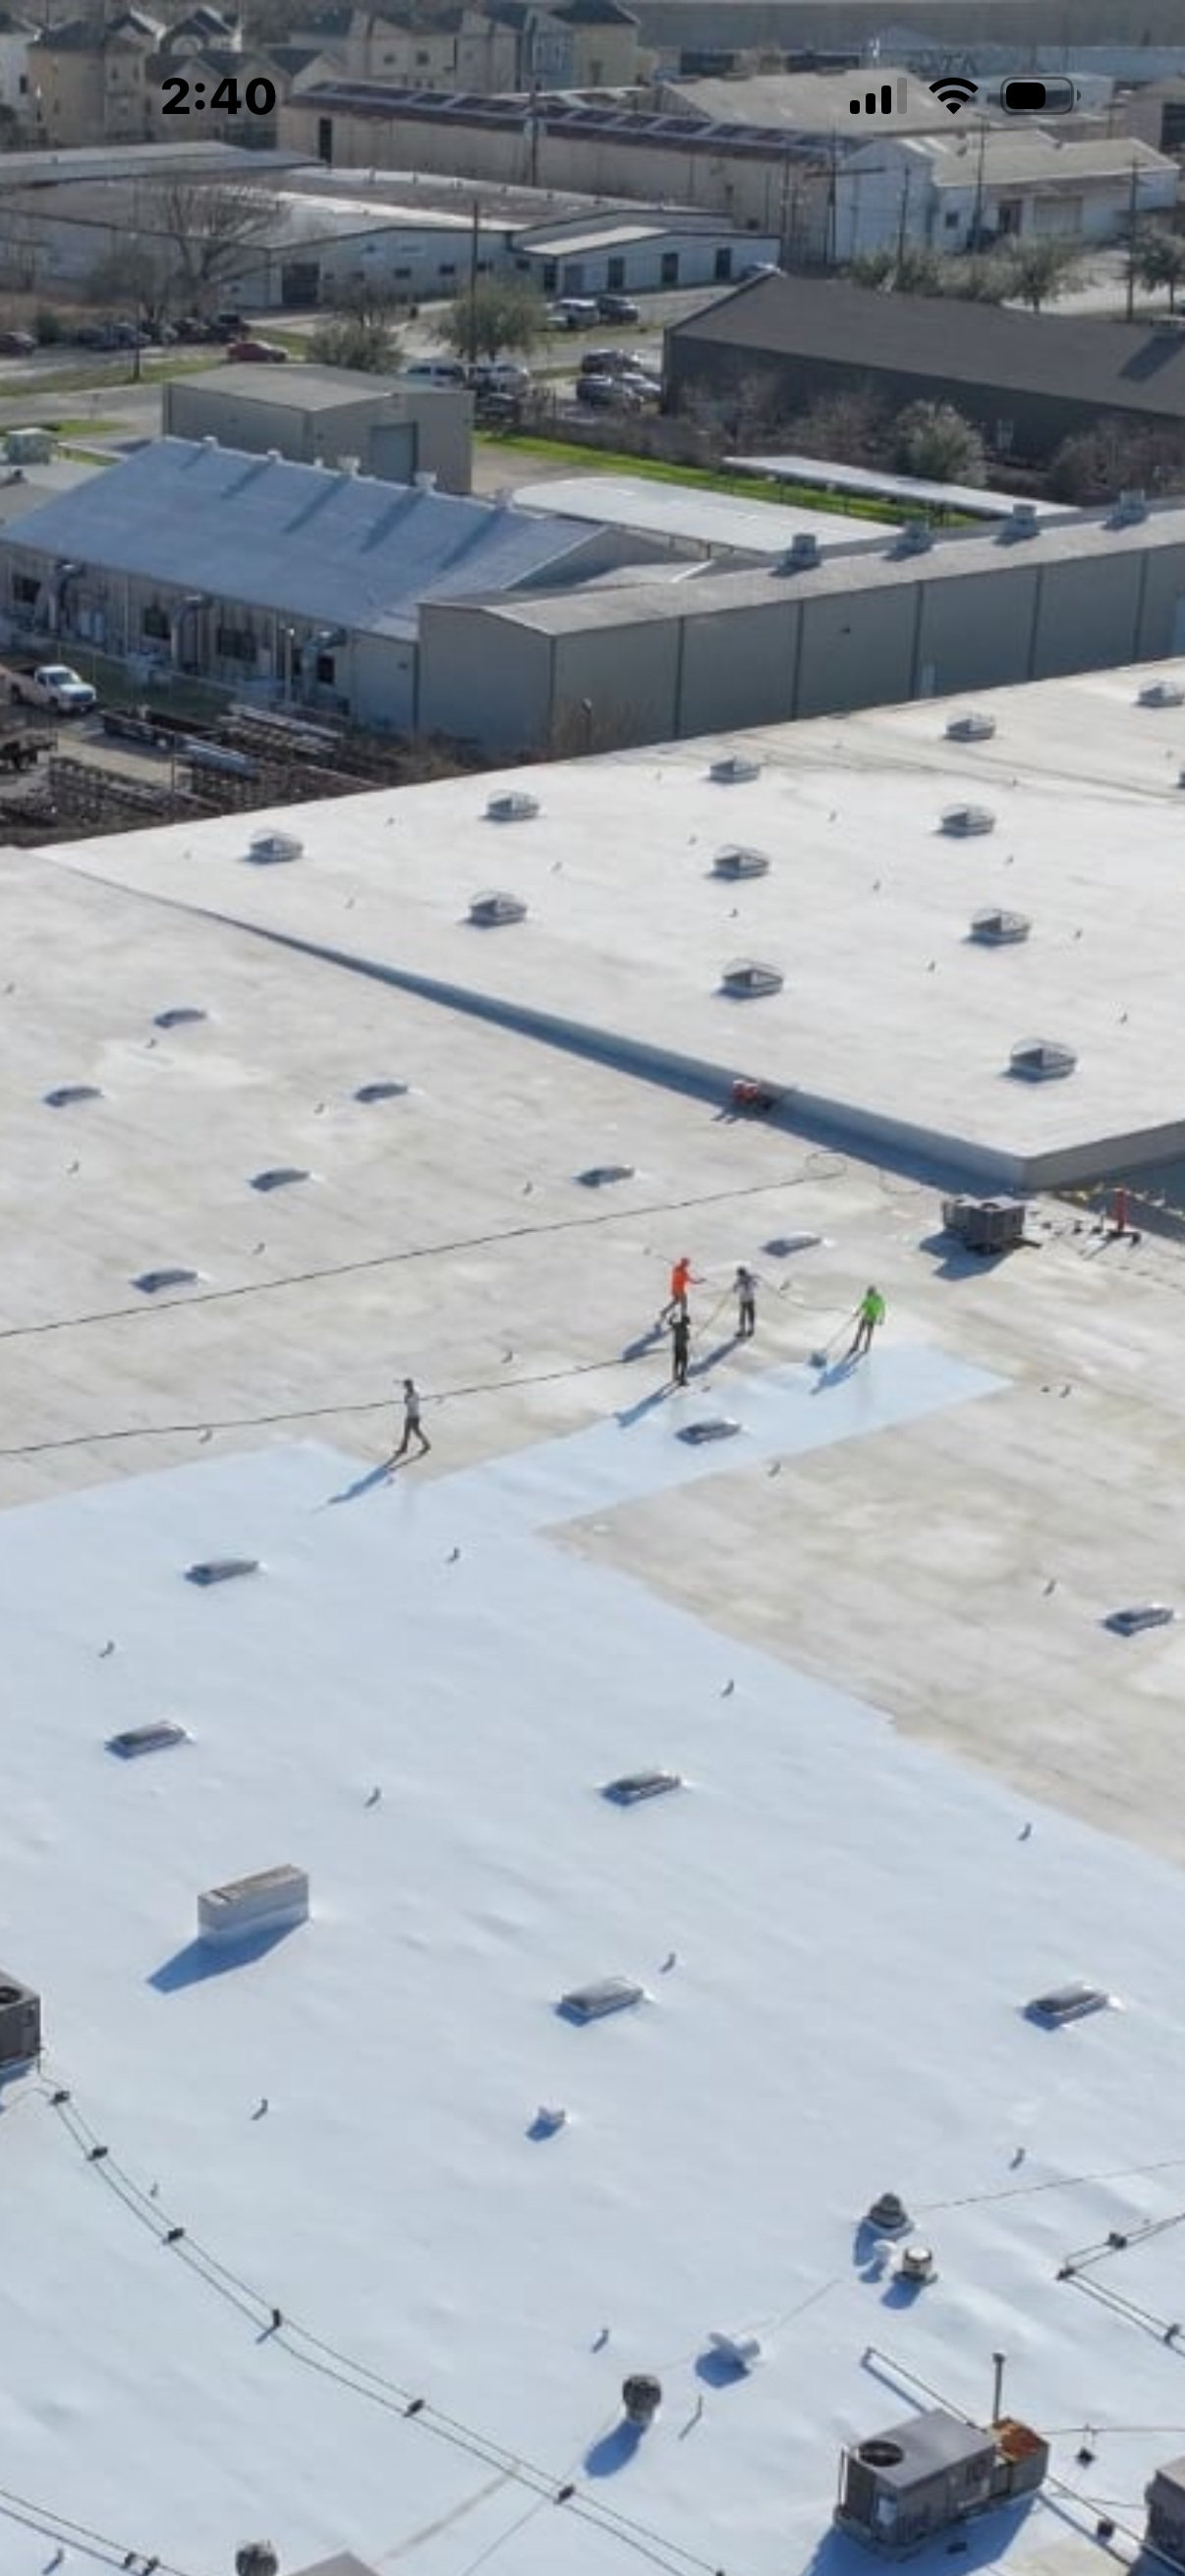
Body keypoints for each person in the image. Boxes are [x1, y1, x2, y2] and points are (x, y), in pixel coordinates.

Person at [391, 1375, 430, 1461]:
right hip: (413, 1416)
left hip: (413, 1417)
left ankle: (426, 1445)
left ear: (409, 1386)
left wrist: (406, 1397)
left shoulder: (411, 1395)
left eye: (406, 1386)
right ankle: (404, 1448)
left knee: (416, 1433)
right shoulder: (414, 1392)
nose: (405, 1387)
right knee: (408, 1433)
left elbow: (408, 1403)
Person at [848, 1285, 885, 1361]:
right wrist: (857, 1313)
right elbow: (862, 1306)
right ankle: (855, 1346)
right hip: (865, 1318)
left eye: (869, 1293)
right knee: (860, 1332)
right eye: (868, 1293)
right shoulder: (868, 1298)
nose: (868, 1294)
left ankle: (866, 1348)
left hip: (871, 1319)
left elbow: (883, 1310)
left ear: (873, 1292)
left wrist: (881, 1319)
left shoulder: (879, 1300)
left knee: (868, 1333)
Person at [660, 1255, 701, 1324]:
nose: (688, 1265)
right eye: (687, 1263)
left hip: (674, 1288)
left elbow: (678, 1272)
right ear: (685, 1264)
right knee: (684, 1302)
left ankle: (664, 1311)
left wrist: (681, 1269)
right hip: (680, 1290)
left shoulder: (676, 1269)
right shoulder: (684, 1273)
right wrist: (700, 1281)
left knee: (676, 1301)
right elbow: (692, 1281)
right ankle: (683, 1316)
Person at [734, 1265, 758, 1339]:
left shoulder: (747, 1280)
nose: (740, 1276)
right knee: (744, 1315)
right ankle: (744, 1330)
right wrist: (735, 1287)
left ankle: (749, 1329)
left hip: (747, 1300)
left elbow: (754, 1286)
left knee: (748, 1314)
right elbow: (755, 1285)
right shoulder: (742, 1280)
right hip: (746, 1300)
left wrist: (738, 1287)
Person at [669, 1308, 691, 1387]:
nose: (688, 1324)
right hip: (682, 1348)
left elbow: (670, 1322)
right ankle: (682, 1379)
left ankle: (675, 1376)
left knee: (676, 1361)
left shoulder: (677, 1325)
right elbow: (687, 1339)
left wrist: (672, 1317)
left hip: (676, 1346)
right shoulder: (685, 1329)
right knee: (684, 1363)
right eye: (687, 1322)